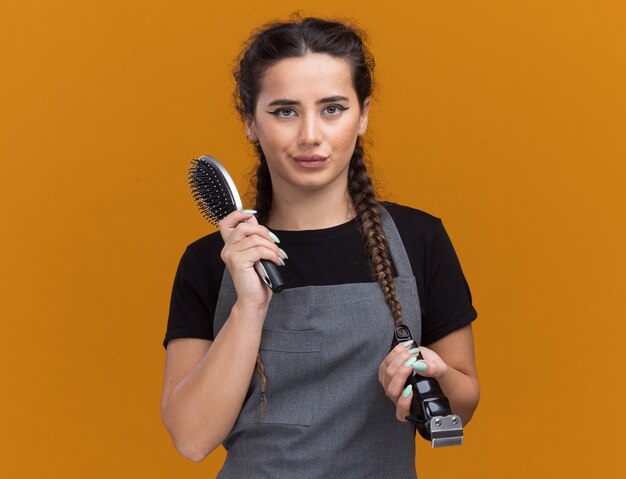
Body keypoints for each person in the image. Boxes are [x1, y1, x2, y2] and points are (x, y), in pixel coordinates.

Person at [160, 16, 479, 478]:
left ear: (363, 114)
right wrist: (248, 307)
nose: (310, 135)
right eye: (284, 111)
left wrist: (437, 375)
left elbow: (462, 407)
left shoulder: (419, 239)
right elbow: (191, 439)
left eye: (332, 108)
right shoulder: (209, 261)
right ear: (251, 122)